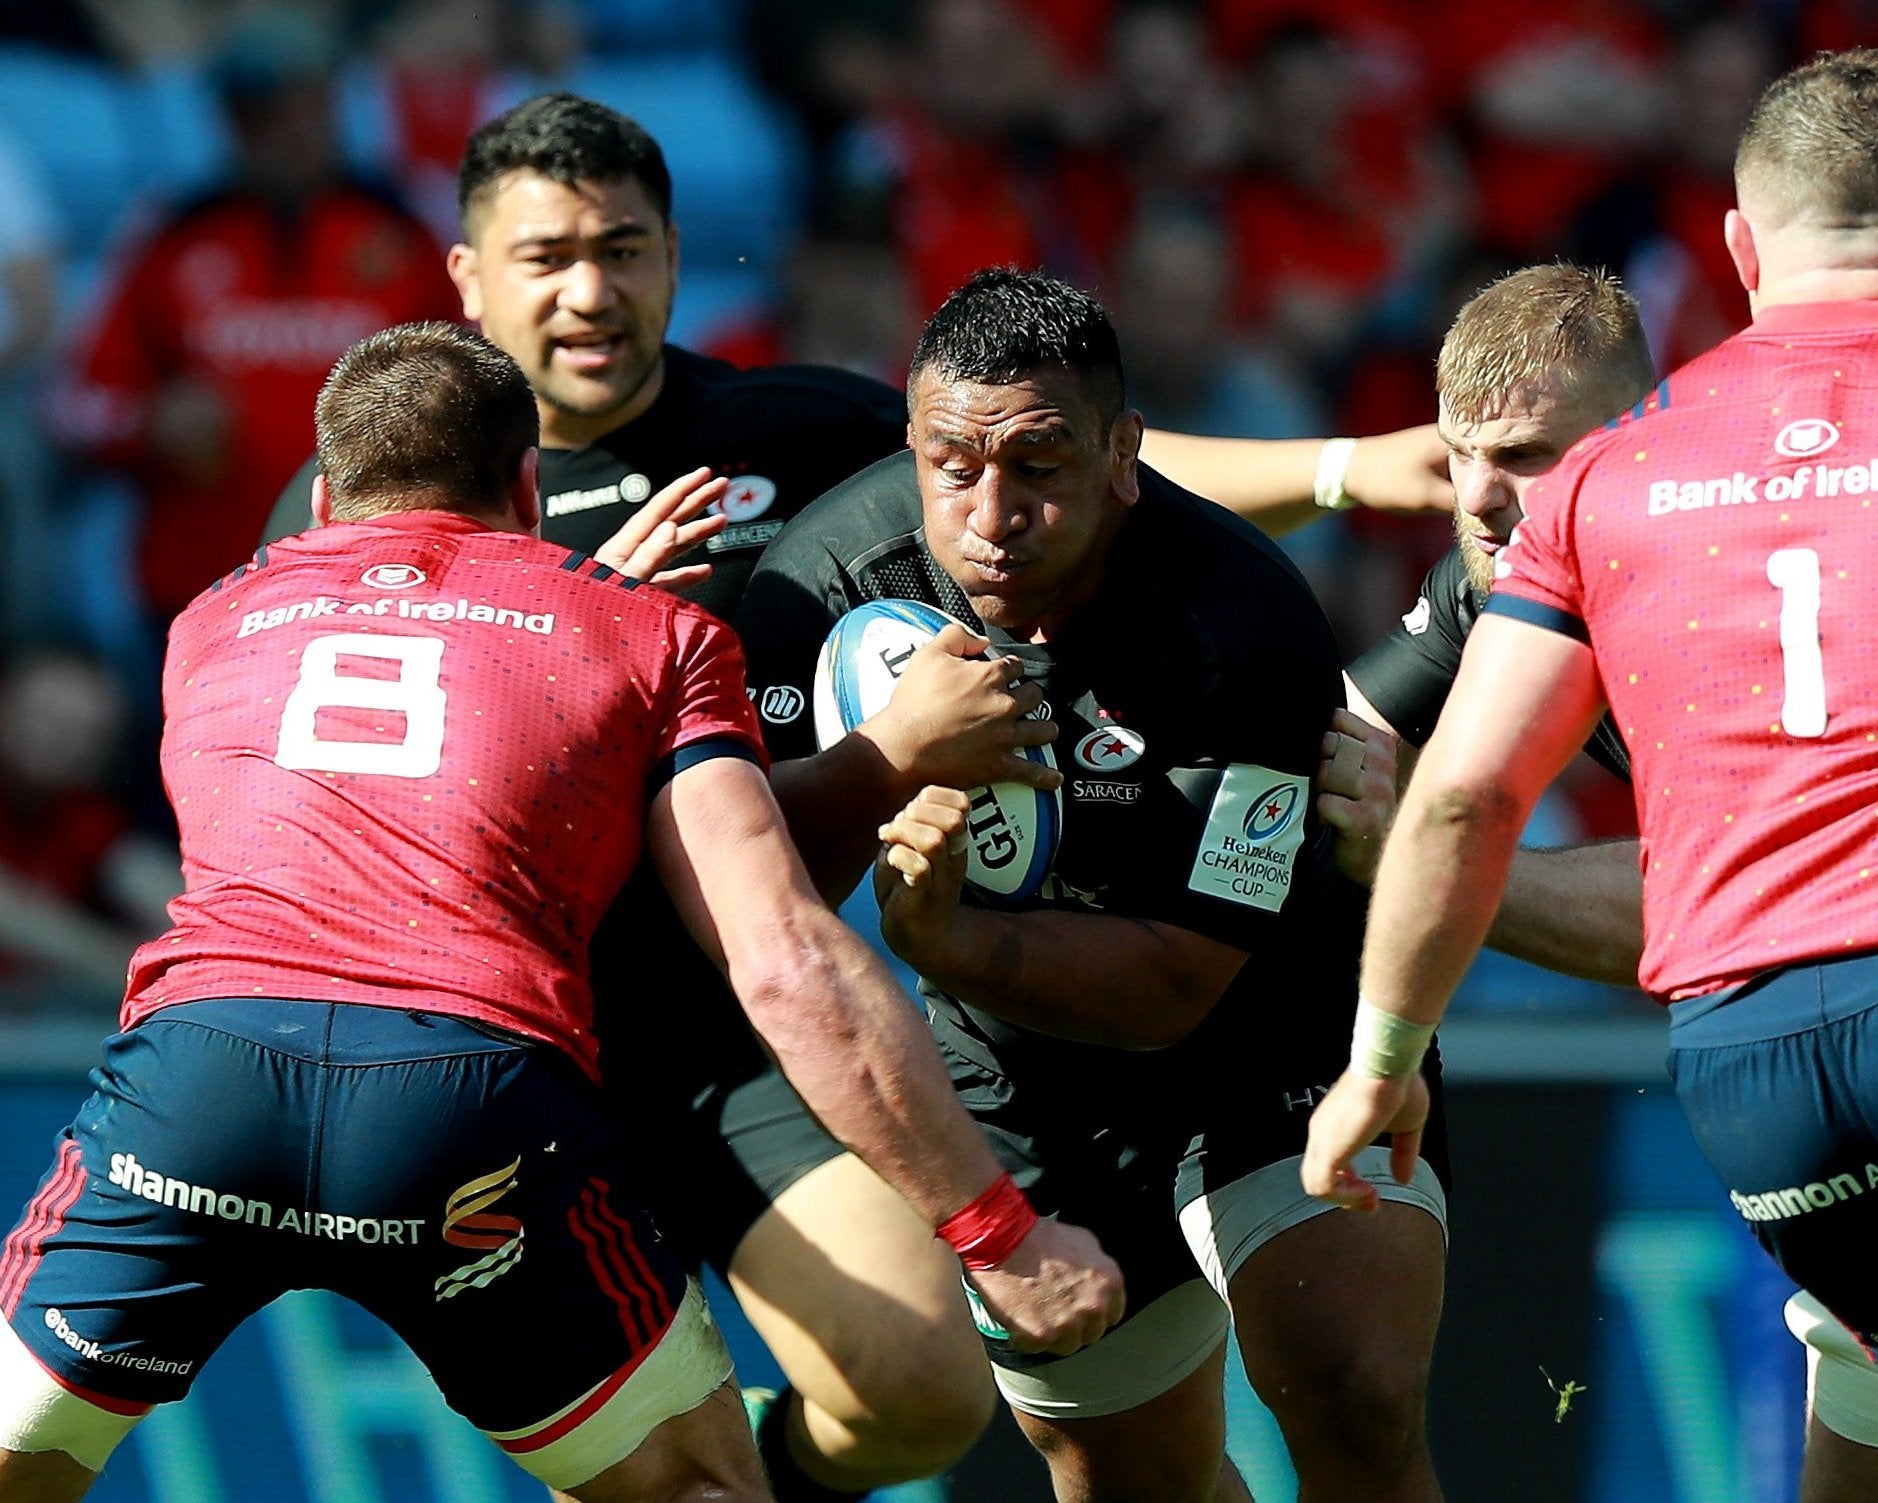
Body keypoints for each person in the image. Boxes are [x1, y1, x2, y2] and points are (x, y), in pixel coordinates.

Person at [255, 91, 1452, 1502]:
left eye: (624, 247)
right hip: (519, 1036)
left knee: (926, 1390)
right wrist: (594, 634)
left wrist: (1340, 468)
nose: (591, 288)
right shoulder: (378, 501)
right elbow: (349, 801)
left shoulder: (802, 433)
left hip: (744, 1021)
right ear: (465, 275)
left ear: (677, 253)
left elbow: (1044, 454)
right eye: (546, 255)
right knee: (656, 1469)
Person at [0, 321, 1122, 1503]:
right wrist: (1001, 1233)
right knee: (696, 1487)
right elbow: (782, 955)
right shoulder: (650, 631)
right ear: (528, 486)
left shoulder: (209, 622)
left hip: (199, 1088)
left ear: (325, 499)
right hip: (465, 1107)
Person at [1299, 46, 1878, 1494]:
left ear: (1740, 251)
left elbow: (1455, 801)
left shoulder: (1622, 480)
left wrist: (1377, 1060)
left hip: (1759, 1081)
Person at [735, 266, 1447, 1503]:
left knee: (1354, 1393)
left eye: (1040, 466)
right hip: (1016, 1069)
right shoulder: (817, 585)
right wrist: (880, 764)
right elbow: (749, 864)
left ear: (1125, 454)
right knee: (1131, 1483)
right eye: (952, 465)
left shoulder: (1243, 623)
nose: (991, 514)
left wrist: (945, 941)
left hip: (1273, 1024)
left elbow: (1178, 984)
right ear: (910, 444)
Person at [51, 7, 460, 647]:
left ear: (331, 99)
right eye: (254, 108)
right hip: (202, 589)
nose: (280, 127)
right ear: (227, 117)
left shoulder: (412, 225)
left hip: (382, 581)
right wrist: (152, 422)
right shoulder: (170, 232)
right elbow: (77, 404)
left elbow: (493, 390)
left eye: (299, 101)